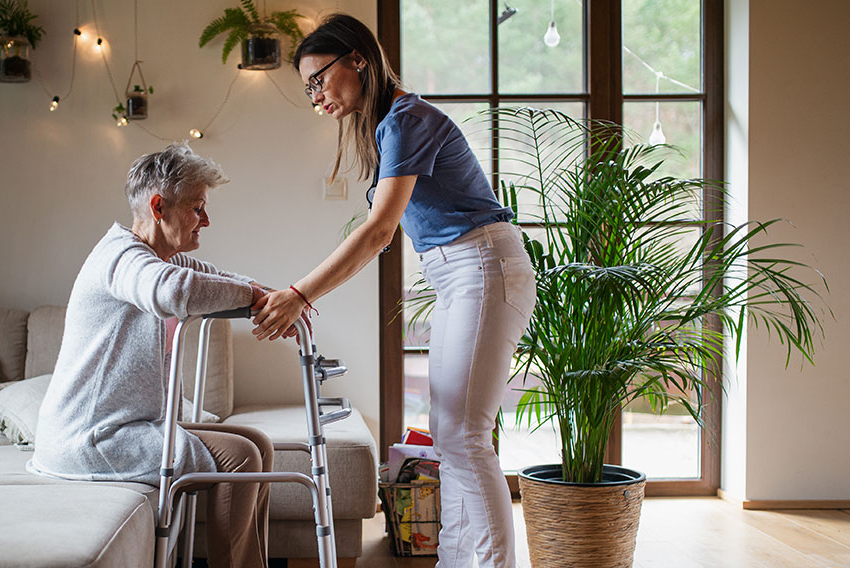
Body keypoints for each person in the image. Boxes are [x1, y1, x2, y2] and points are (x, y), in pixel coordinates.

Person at [250, 14, 536, 568]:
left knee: (466, 439)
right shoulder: (390, 125)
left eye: (318, 79)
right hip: (461, 272)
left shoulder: (405, 118)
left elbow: (380, 231)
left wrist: (300, 293)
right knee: (452, 439)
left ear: (357, 58)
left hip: (483, 265)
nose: (315, 96)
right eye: (307, 88)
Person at [29, 143, 273, 568]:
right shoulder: (122, 257)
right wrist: (254, 297)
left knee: (258, 443)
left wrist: (276, 297)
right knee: (240, 458)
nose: (207, 220)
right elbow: (172, 292)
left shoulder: (159, 257)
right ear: (159, 206)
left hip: (123, 425)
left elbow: (213, 277)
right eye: (197, 208)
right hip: (91, 436)